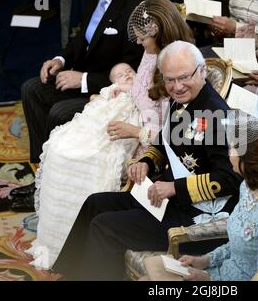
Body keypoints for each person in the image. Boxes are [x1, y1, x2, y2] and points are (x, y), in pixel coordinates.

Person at [23, 0, 195, 269]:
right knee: (61, 146)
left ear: (158, 32)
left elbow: (171, 132)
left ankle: (81, 251)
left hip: (142, 134)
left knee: (83, 159)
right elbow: (140, 87)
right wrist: (117, 92)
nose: (139, 44)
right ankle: (63, 247)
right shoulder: (152, 53)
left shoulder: (176, 71)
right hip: (127, 113)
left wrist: (134, 132)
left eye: (143, 39)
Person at [52, 41, 243, 280]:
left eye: (184, 77)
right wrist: (147, 162)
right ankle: (72, 273)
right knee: (95, 203)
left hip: (197, 218)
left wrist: (175, 188)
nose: (177, 86)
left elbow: (231, 179)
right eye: (169, 79)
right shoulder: (181, 100)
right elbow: (164, 142)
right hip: (170, 201)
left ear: (201, 71)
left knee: (106, 226)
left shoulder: (218, 115)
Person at [11, 0, 148, 198]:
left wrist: (83, 79)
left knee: (60, 112)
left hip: (113, 93)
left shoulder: (138, 7)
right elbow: (84, 35)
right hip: (83, 78)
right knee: (32, 89)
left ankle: (59, 182)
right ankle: (42, 175)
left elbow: (132, 72)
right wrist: (61, 59)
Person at [176, 107, 258, 281]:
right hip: (219, 269)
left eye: (231, 148)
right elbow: (238, 244)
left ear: (249, 161)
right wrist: (205, 260)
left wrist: (208, 279)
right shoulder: (247, 187)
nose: (228, 153)